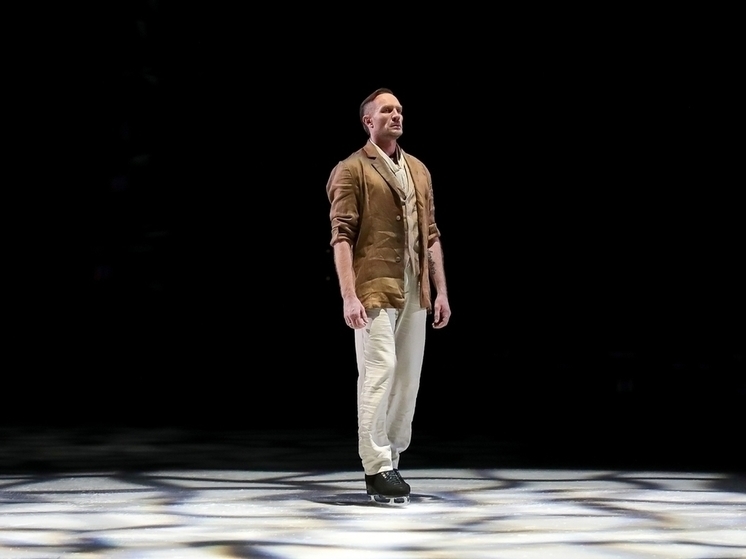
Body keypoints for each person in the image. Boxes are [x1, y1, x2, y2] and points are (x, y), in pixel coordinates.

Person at [326, 87, 451, 506]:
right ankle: (377, 464)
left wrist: (440, 291)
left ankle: (392, 459)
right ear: (369, 121)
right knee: (379, 372)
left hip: (415, 287)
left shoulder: (419, 170)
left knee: (408, 378)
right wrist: (349, 296)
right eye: (386, 110)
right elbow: (341, 237)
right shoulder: (351, 169)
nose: (396, 115)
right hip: (375, 286)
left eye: (398, 109)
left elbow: (430, 234)